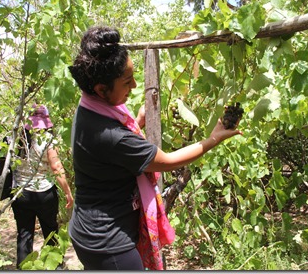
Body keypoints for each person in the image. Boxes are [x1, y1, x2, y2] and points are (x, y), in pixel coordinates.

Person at [67, 26, 243, 270]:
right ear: (100, 89)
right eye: (127, 82)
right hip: (108, 243)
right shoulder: (113, 137)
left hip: (86, 228)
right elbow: (167, 160)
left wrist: (136, 123)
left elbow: (109, 153)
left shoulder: (88, 107)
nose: (135, 85)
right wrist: (213, 138)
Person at [11, 104, 74, 269]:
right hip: (44, 193)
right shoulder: (47, 140)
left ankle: (23, 268)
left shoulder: (19, 138)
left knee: (24, 235)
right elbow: (57, 168)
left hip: (20, 193)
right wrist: (68, 192)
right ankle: (55, 266)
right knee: (50, 231)